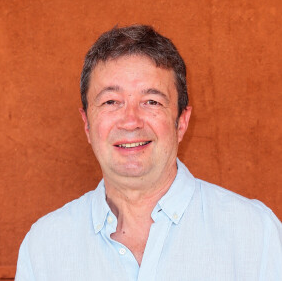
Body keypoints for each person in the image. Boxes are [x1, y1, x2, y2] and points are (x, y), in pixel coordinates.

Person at [15, 25, 282, 281]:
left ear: (181, 122)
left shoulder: (256, 234)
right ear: (87, 124)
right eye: (111, 102)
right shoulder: (44, 247)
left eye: (151, 101)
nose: (130, 121)